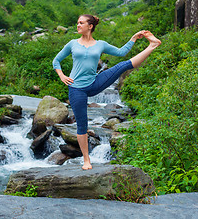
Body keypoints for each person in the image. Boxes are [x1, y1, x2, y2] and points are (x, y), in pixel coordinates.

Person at [52, 14, 161, 170]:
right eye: (77, 22)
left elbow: (122, 52)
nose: (78, 25)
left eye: (81, 23)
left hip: (95, 83)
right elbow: (56, 60)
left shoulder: (100, 44)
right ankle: (86, 160)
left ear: (90, 26)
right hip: (76, 88)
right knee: (82, 125)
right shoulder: (72, 44)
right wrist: (62, 75)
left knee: (123, 65)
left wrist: (133, 38)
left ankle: (152, 45)